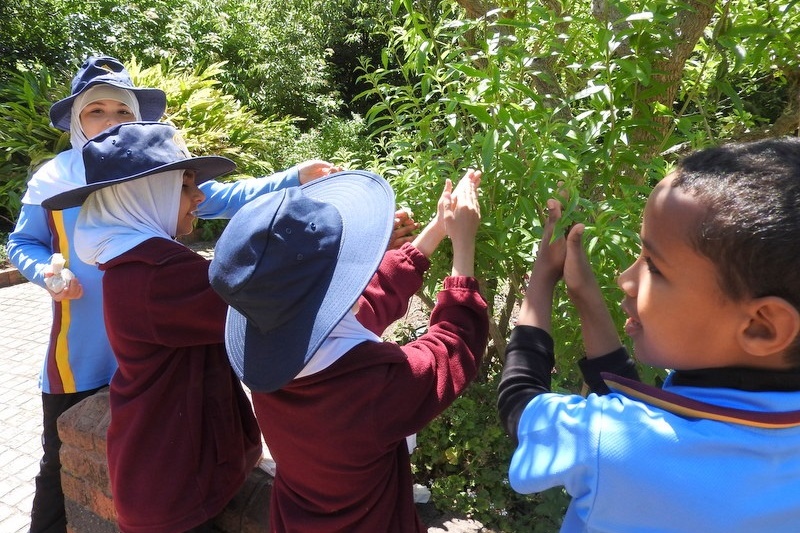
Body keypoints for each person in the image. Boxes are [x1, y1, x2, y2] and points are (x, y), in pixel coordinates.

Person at [6, 54, 349, 533]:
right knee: (57, 460)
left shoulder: (156, 179)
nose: (110, 122)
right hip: (83, 348)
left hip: (157, 345)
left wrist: (291, 179)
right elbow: (22, 241)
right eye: (96, 111)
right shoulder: (53, 180)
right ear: (76, 120)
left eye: (122, 112)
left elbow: (216, 196)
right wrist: (45, 273)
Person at [497, 137, 800, 532]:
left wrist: (541, 280)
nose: (625, 280)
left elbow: (520, 403)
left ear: (762, 326)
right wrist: (585, 295)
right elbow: (646, 415)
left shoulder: (610, 446)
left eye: (654, 266)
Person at [209, 168, 489, 531]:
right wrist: (463, 248)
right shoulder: (372, 389)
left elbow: (369, 301)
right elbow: (453, 346)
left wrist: (436, 229)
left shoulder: (275, 354)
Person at [41, 121, 266, 533]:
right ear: (140, 195)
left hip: (163, 468)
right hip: (175, 485)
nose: (198, 196)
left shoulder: (130, 261)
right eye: (184, 185)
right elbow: (263, 305)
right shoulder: (157, 272)